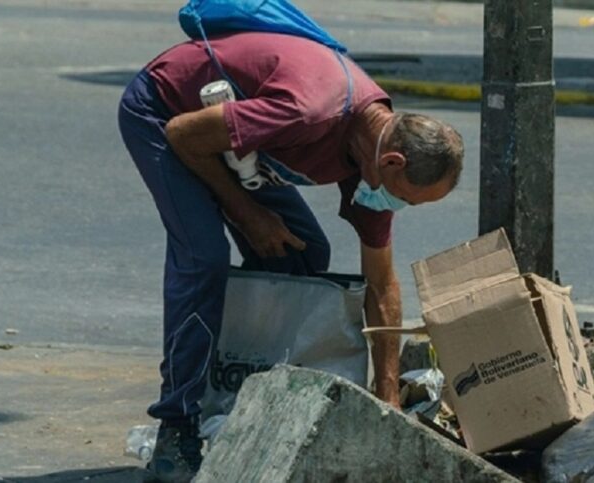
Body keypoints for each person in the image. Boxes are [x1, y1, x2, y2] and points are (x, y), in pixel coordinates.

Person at [118, 31, 463, 482]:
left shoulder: (373, 160)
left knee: (300, 254)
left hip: (235, 140)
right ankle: (177, 426)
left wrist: (387, 399)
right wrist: (246, 213)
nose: (402, 208)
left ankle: (241, 396)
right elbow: (183, 135)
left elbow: (381, 283)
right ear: (394, 163)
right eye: (409, 199)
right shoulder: (307, 111)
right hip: (166, 111)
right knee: (204, 256)